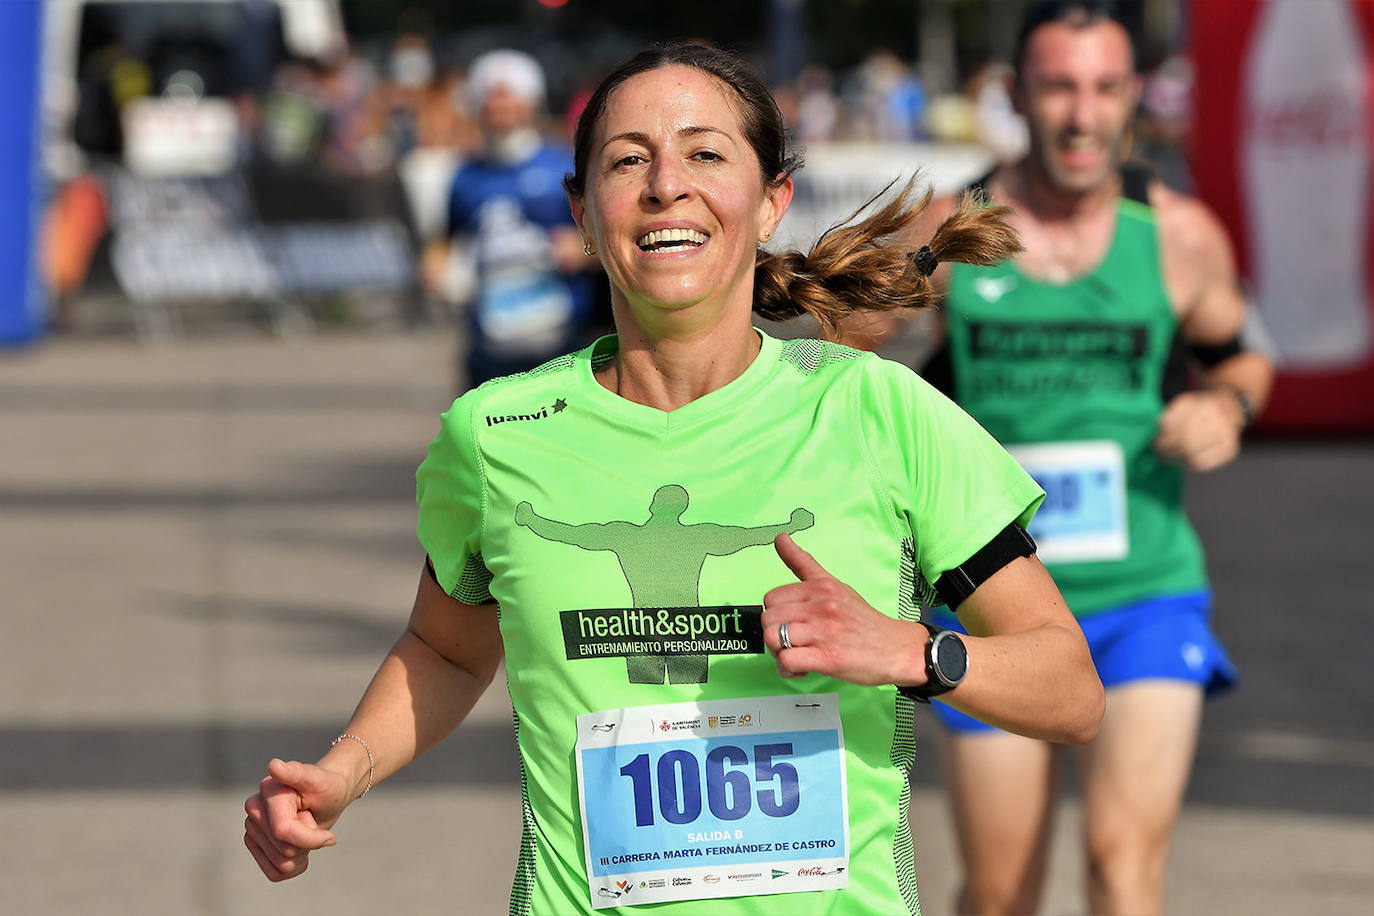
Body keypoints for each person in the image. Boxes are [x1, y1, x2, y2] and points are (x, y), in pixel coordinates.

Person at [242, 41, 1104, 914]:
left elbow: (1070, 688)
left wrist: (906, 651)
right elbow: (445, 648)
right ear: (582, 213)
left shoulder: (881, 412)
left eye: (705, 153)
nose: (665, 186)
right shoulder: (494, 434)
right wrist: (342, 771)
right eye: (627, 160)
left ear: (773, 203)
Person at [841, 4, 1274, 914]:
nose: (1082, 113)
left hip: (1142, 593)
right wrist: (910, 256)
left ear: (1132, 97)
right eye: (1057, 85)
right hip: (996, 604)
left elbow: (1244, 354)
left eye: (1105, 87)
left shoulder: (1181, 237)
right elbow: (850, 336)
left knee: (1123, 871)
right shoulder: (959, 227)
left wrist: (1224, 403)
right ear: (1015, 95)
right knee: (1002, 893)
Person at [446, 48, 598, 388]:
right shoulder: (464, 175)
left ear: (531, 101)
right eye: (491, 97)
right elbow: (446, 242)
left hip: (562, 343)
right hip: (489, 347)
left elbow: (607, 241)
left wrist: (584, 248)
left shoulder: (564, 167)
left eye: (509, 96)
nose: (500, 107)